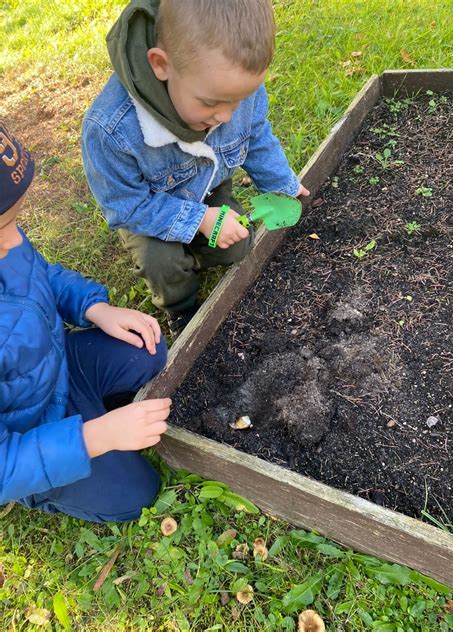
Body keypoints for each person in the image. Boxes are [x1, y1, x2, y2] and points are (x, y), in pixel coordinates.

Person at [82, 0, 309, 339]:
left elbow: (256, 134)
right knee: (163, 262)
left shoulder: (227, 85)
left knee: (237, 246)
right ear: (161, 65)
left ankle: (197, 252)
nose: (226, 117)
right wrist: (199, 221)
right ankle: (182, 309)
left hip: (207, 189)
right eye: (211, 103)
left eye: (238, 102)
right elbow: (126, 207)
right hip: (148, 212)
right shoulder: (110, 130)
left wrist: (283, 184)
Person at [0, 122, 171, 522]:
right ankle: (41, 492)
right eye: (1, 228)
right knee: (135, 495)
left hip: (57, 374)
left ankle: (95, 412)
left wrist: (94, 308)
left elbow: (38, 274)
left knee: (146, 348)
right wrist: (98, 436)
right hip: (25, 436)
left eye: (14, 221)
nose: (14, 240)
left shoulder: (7, 244)